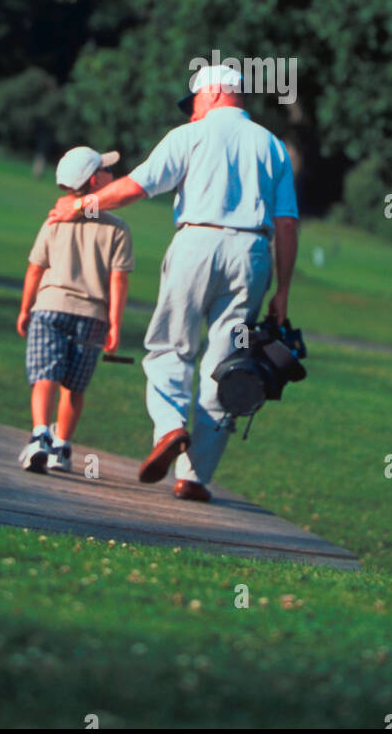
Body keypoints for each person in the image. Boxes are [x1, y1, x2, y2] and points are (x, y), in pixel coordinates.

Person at [48, 65, 299, 502]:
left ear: (217, 92)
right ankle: (194, 477)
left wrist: (82, 207)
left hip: (196, 245)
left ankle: (168, 430)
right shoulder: (273, 146)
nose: (191, 112)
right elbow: (287, 224)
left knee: (169, 348)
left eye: (195, 101)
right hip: (252, 257)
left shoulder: (189, 137)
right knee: (227, 364)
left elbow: (133, 188)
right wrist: (282, 291)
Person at [17, 145, 134, 473]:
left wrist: (25, 309)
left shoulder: (54, 221)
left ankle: (40, 434)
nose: (115, 175)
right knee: (74, 385)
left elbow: (35, 268)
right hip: (92, 318)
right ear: (97, 181)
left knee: (45, 376)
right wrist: (114, 323)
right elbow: (119, 282)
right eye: (108, 171)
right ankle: (61, 447)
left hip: (50, 308)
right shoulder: (118, 229)